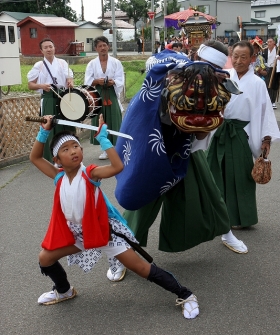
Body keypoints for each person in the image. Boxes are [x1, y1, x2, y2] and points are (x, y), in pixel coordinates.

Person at [29, 113, 199, 319]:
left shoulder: (90, 173)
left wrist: (104, 140)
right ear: (57, 160)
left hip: (104, 232)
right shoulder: (58, 177)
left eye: (76, 146)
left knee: (140, 267)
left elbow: (117, 167)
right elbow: (35, 158)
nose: (73, 151)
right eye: (66, 150)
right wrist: (44, 131)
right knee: (45, 258)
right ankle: (64, 290)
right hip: (79, 234)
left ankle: (186, 295)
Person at [106, 41, 248, 282]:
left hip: (187, 149)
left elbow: (203, 132)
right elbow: (150, 82)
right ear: (194, 58)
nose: (206, 74)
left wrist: (205, 121)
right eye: (204, 66)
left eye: (212, 69)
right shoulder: (170, 70)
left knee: (210, 194)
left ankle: (226, 233)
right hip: (154, 149)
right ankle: (121, 255)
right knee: (142, 203)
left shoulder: (219, 85)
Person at [207, 41, 280, 230]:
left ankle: (242, 217)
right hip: (220, 132)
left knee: (241, 177)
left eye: (243, 57)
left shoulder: (257, 83)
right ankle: (217, 215)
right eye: (235, 56)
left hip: (241, 134)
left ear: (252, 59)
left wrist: (266, 140)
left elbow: (265, 113)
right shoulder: (224, 77)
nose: (238, 61)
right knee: (215, 173)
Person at [27, 38, 74, 162]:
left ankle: (69, 156)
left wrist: (70, 82)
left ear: (54, 48)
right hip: (48, 97)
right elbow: (30, 85)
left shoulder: (63, 63)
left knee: (65, 125)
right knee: (50, 125)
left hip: (62, 97)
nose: (49, 49)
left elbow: (70, 78)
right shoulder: (39, 65)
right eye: (46, 47)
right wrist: (41, 86)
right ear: (41, 50)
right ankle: (52, 158)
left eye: (50, 46)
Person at [84, 36, 124, 160]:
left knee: (114, 119)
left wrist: (113, 82)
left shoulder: (116, 62)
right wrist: (96, 81)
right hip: (98, 93)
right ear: (96, 48)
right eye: (100, 46)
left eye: (104, 45)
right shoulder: (92, 63)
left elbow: (120, 79)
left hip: (111, 92)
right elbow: (88, 81)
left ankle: (117, 148)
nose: (102, 48)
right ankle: (105, 149)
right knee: (100, 120)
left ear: (108, 46)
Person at [263, 38, 279, 108]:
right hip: (267, 69)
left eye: (270, 42)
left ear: (274, 43)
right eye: (268, 42)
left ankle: (273, 101)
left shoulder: (278, 50)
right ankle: (268, 100)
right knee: (267, 84)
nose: (269, 43)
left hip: (275, 69)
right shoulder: (265, 50)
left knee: (274, 85)